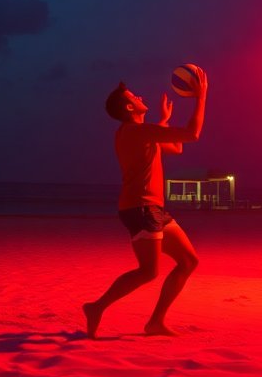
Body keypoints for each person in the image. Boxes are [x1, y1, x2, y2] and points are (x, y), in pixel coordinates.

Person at [84, 68, 207, 338]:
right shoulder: (132, 132)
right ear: (130, 106)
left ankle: (155, 323)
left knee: (188, 261)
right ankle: (96, 307)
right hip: (140, 209)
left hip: (154, 210)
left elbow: (176, 146)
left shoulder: (141, 133)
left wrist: (163, 121)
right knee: (148, 272)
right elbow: (192, 134)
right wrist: (201, 97)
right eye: (134, 95)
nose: (139, 95)